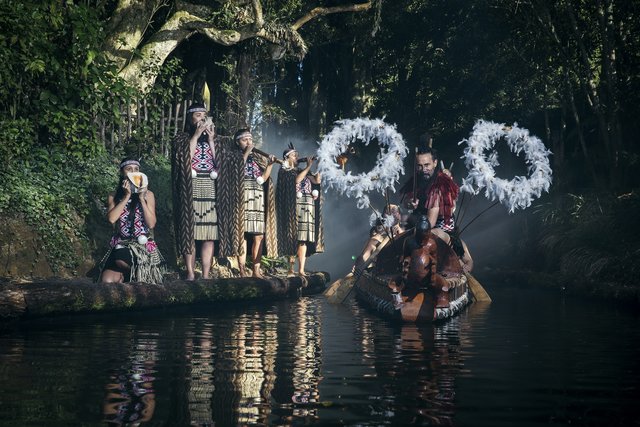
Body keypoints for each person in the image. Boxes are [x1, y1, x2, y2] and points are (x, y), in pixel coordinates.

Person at [399, 146, 473, 272]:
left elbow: (429, 224)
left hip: (439, 233)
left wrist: (407, 218)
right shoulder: (417, 179)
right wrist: (409, 203)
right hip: (420, 228)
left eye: (427, 165)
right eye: (420, 166)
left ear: (435, 163)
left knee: (429, 236)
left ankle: (456, 262)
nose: (424, 170)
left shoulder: (439, 186)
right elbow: (406, 201)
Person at [217, 128, 278, 278]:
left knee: (259, 236)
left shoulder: (258, 158)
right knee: (242, 235)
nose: (249, 142)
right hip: (241, 198)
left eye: (250, 140)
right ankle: (243, 270)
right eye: (245, 140)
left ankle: (256, 270)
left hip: (257, 198)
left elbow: (263, 179)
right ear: (238, 142)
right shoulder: (232, 156)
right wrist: (246, 153)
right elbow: (235, 171)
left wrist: (270, 164)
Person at [171, 102, 218, 280]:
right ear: (190, 119)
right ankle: (190, 273)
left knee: (209, 233)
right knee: (189, 231)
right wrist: (197, 136)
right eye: (198, 115)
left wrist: (211, 140)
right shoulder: (181, 138)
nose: (202, 118)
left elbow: (220, 163)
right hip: (189, 187)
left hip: (210, 188)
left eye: (204, 115)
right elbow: (184, 160)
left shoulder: (216, 139)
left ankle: (205, 275)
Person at [98, 158, 165, 284]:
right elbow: (112, 219)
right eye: (129, 169)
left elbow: (151, 223)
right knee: (107, 280)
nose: (134, 172)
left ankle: (138, 273)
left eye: (136, 169)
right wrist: (126, 196)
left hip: (141, 247)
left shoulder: (148, 195)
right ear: (122, 172)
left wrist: (141, 198)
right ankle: (130, 275)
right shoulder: (114, 195)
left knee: (121, 260)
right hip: (121, 244)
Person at [276, 143, 324, 276]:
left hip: (308, 206)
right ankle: (291, 268)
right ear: (287, 157)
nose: (297, 157)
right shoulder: (285, 169)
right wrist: (308, 165)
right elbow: (296, 181)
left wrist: (320, 164)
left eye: (297, 155)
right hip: (294, 206)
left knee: (303, 239)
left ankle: (301, 269)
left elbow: (317, 181)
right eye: (294, 155)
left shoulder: (304, 171)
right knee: (293, 237)